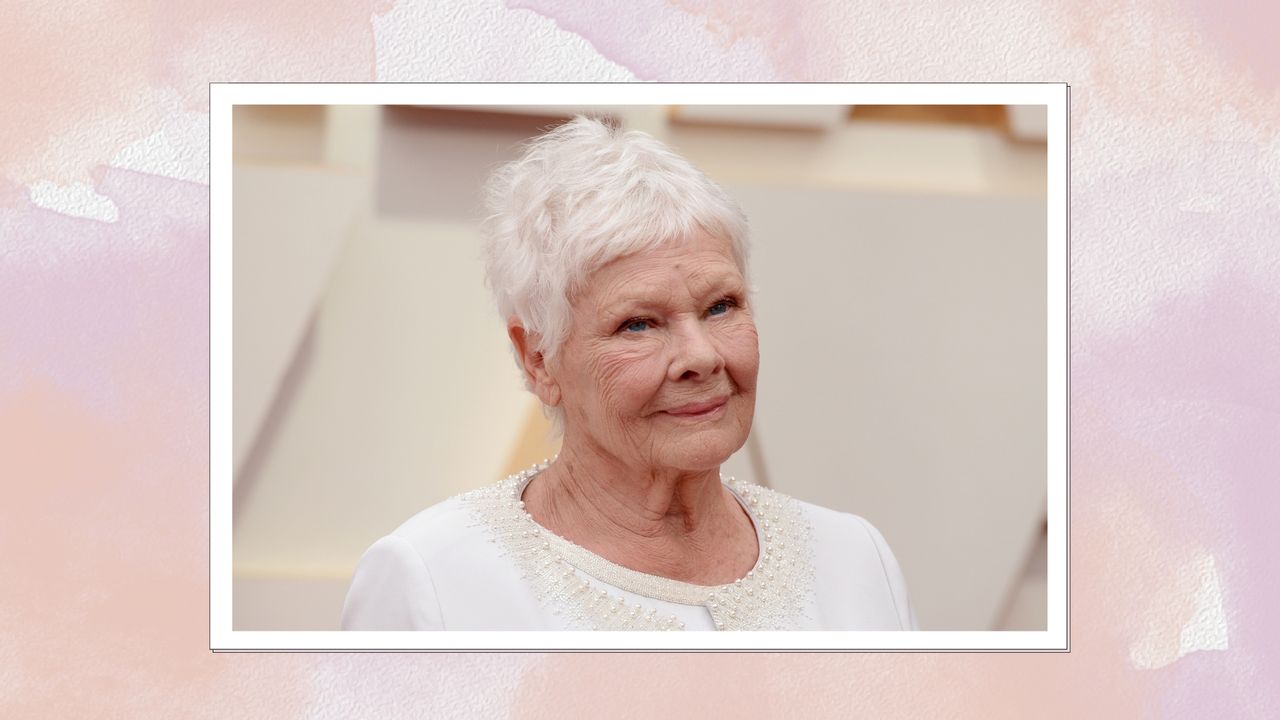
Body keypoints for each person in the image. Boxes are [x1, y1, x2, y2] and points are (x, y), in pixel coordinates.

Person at [341, 115, 917, 631]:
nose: (702, 357)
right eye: (639, 324)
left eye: (721, 307)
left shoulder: (855, 560)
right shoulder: (435, 582)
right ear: (538, 357)